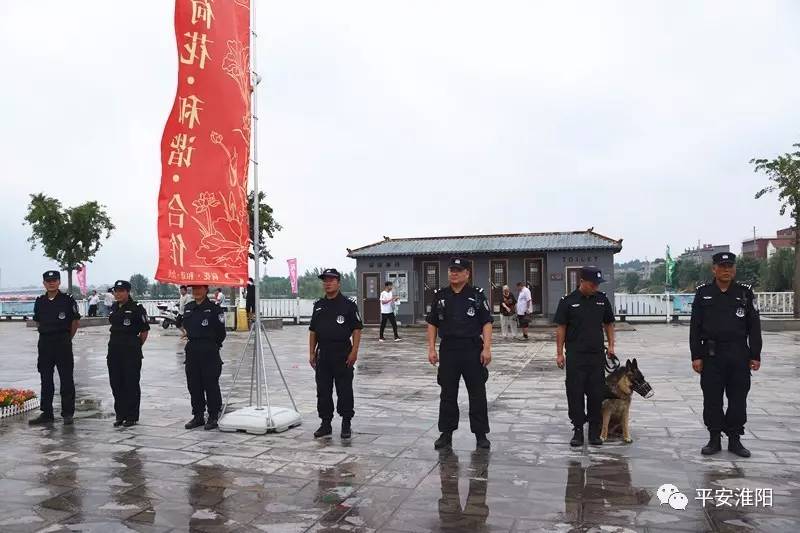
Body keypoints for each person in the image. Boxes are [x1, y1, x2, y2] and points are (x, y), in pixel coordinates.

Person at [690, 252, 762, 458]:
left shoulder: (745, 292)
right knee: (712, 398)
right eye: (722, 266)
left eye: (730, 266)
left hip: (738, 353)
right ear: (714, 269)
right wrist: (696, 356)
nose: (726, 270)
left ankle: (735, 439)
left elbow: (754, 326)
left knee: (738, 398)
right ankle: (714, 438)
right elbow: (695, 328)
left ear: (734, 269)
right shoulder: (703, 293)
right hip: (711, 354)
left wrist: (755, 354)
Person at [427, 258, 493, 450]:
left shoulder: (477, 295)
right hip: (448, 349)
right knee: (447, 393)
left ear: (467, 273)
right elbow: (432, 323)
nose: (454, 273)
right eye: (451, 270)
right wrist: (431, 348)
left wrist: (487, 348)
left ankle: (481, 434)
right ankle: (446, 434)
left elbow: (486, 322)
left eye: (458, 270)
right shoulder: (441, 295)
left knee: (477, 393)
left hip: (472, 349)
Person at [554, 266, 616, 447]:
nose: (596, 287)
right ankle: (578, 430)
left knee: (596, 394)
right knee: (575, 393)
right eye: (592, 284)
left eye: (597, 284)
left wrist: (611, 345)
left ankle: (594, 431)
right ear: (582, 282)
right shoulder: (568, 301)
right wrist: (559, 353)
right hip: (576, 356)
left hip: (596, 356)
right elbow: (561, 328)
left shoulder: (602, 300)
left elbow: (609, 323)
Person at [308, 268, 363, 439]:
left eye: (331, 280)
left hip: (342, 353)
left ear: (338, 283)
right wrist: (311, 353)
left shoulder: (348, 305)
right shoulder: (318, 305)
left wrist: (354, 352)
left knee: (344, 390)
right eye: (325, 280)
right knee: (323, 391)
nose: (328, 283)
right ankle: (325, 423)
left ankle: (346, 423)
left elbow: (357, 329)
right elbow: (313, 331)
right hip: (323, 354)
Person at [29, 270, 80, 425]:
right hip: (45, 343)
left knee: (66, 379)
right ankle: (47, 413)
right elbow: (38, 321)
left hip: (62, 342)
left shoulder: (67, 300)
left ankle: (68, 413)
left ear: (59, 282)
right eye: (48, 281)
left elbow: (75, 322)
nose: (51, 283)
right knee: (45, 379)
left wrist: (67, 338)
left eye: (54, 280)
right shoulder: (40, 301)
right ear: (44, 283)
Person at [182, 285, 227, 430]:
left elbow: (221, 333)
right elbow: (185, 326)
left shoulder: (214, 309)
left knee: (210, 384)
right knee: (194, 384)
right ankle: (198, 415)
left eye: (199, 288)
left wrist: (213, 345)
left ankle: (213, 416)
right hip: (192, 349)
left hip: (209, 350)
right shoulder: (188, 307)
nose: (196, 291)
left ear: (206, 290)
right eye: (194, 289)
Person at [107, 280, 150, 427]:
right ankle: (120, 414)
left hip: (131, 351)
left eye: (121, 291)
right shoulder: (114, 307)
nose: (118, 294)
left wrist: (136, 346)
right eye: (116, 291)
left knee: (131, 383)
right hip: (114, 350)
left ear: (128, 292)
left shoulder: (137, 308)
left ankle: (131, 416)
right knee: (116, 383)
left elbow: (144, 331)